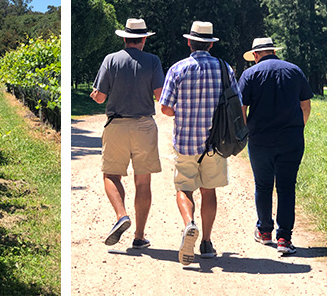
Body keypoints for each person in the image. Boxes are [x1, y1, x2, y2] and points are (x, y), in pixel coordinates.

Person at [159, 21, 240, 266]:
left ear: (189, 42)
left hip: (185, 141)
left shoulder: (177, 69)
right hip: (216, 142)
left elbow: (165, 108)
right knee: (209, 190)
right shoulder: (225, 68)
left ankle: (188, 224)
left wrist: (183, 113)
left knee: (184, 188)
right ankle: (206, 242)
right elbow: (236, 102)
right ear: (212, 44)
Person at [90, 18, 165, 249]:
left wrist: (94, 94)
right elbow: (160, 96)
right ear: (143, 39)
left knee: (111, 175)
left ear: (124, 38)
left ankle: (122, 216)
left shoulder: (110, 60)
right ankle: (139, 236)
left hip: (117, 125)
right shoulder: (153, 61)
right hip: (144, 125)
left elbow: (100, 97)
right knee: (143, 181)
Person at [237, 37, 313, 255]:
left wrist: (245, 132)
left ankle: (264, 232)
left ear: (256, 55)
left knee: (263, 186)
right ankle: (284, 238)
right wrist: (299, 127)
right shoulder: (294, 71)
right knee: (287, 187)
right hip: (291, 139)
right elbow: (305, 106)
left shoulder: (250, 75)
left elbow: (241, 108)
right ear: (273, 51)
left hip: (260, 140)